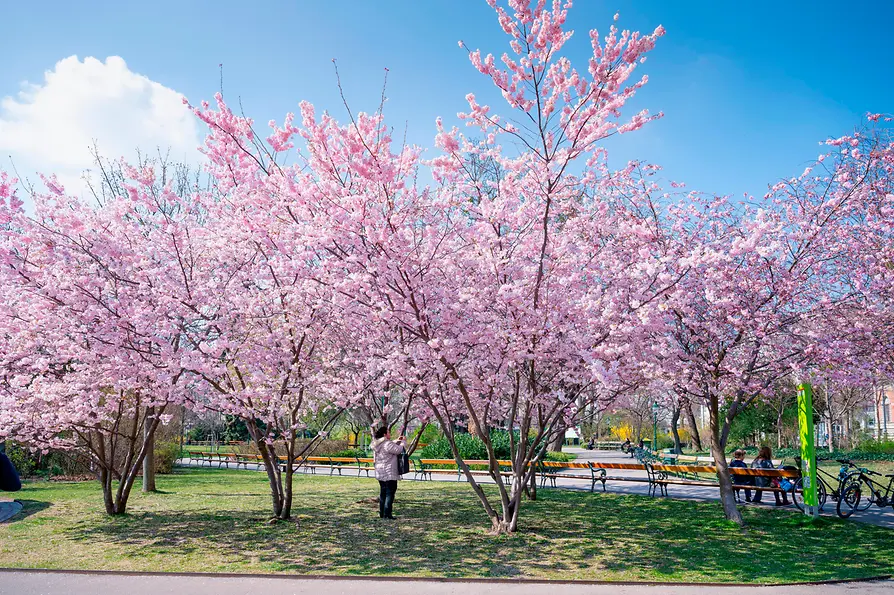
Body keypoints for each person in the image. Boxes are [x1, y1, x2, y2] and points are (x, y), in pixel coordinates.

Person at [371, 426, 406, 520]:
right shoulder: (387, 444)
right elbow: (398, 450)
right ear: (384, 434)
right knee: (390, 493)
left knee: (383, 492)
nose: (390, 434)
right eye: (388, 432)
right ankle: (388, 514)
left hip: (380, 471)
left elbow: (389, 446)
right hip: (389, 472)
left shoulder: (377, 444)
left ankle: (382, 513)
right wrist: (403, 443)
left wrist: (397, 440)